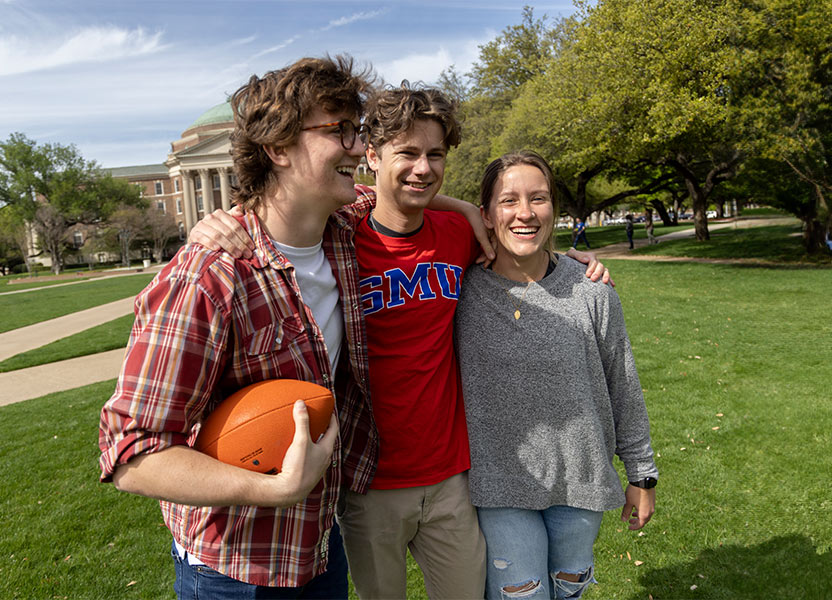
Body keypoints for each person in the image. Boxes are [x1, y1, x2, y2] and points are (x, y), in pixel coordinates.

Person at [186, 85, 615, 599]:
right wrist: (220, 225)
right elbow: (281, 217)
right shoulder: (335, 236)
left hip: (455, 476)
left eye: (435, 155)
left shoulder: (458, 232)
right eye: (408, 153)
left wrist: (573, 264)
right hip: (369, 481)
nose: (423, 167)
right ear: (370, 156)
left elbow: (520, 243)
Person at [97, 55, 378, 598]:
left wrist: (481, 219)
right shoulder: (208, 277)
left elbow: (408, 192)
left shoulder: (345, 229)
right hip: (234, 570)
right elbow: (131, 453)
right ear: (277, 149)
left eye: (357, 131)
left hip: (319, 546)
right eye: (338, 131)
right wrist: (273, 489)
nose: (359, 148)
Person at [456, 151, 657, 600]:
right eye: (508, 201)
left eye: (539, 198)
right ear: (485, 215)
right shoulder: (461, 292)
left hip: (580, 483)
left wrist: (642, 476)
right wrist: (459, 207)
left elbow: (622, 384)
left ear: (554, 210)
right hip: (499, 485)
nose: (525, 213)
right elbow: (390, 195)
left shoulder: (591, 290)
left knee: (569, 592)